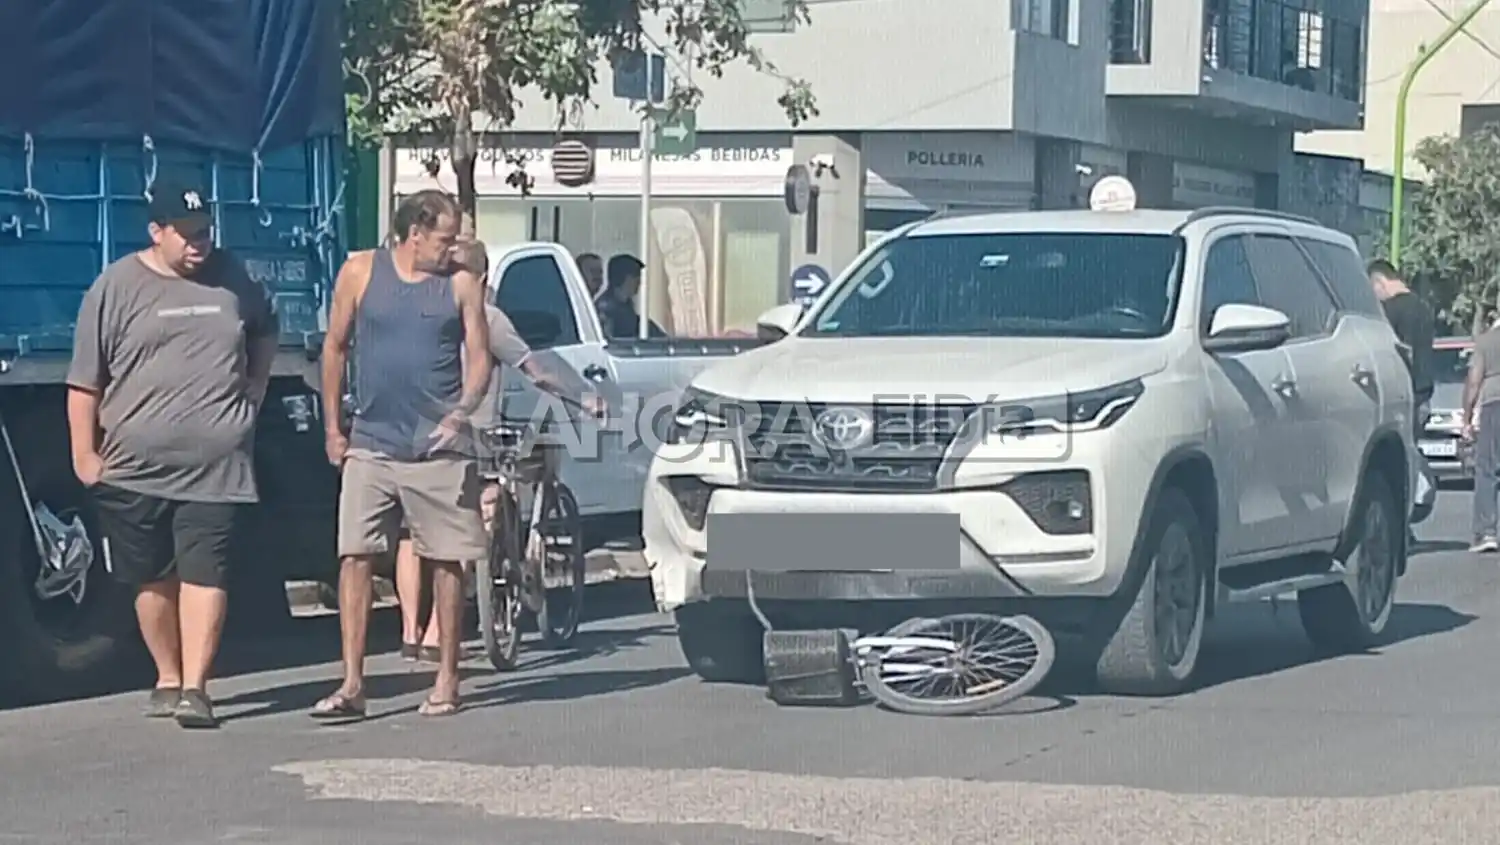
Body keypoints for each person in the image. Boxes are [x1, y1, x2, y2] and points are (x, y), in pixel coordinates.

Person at [66, 181, 279, 728]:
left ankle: (196, 687)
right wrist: (84, 456)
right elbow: (84, 382)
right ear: (156, 232)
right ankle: (166, 673)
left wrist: (254, 388)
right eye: (185, 235)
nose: (198, 244)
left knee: (206, 572)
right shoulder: (114, 287)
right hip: (136, 466)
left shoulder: (235, 278)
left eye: (204, 232)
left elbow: (265, 330)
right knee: (151, 578)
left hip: (217, 465)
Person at [316, 190, 492, 720]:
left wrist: (459, 414)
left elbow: (480, 358)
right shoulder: (361, 273)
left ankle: (447, 678)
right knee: (355, 554)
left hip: (437, 448)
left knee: (445, 558)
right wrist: (333, 427)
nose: (453, 247)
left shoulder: (460, 284)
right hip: (371, 440)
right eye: (445, 238)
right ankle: (351, 683)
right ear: (414, 232)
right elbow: (334, 347)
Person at [392, 240, 603, 663]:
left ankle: (410, 630)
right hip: (470, 437)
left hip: (413, 431)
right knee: (475, 518)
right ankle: (436, 634)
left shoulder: (417, 313)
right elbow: (536, 372)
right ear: (484, 278)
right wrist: (584, 399)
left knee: (412, 533)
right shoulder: (487, 318)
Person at [1370, 260, 1435, 435]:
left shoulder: (1388, 310)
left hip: (1400, 393)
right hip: (1422, 391)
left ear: (1379, 282)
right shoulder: (1424, 308)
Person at [1465, 312, 1500, 553]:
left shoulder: (1486, 341)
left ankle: (1487, 532)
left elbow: (1474, 380)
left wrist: (1466, 417)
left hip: (1495, 404)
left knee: (1487, 468)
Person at [599, 254, 667, 339]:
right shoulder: (606, 310)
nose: (639, 281)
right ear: (621, 277)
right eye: (634, 275)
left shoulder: (625, 306)